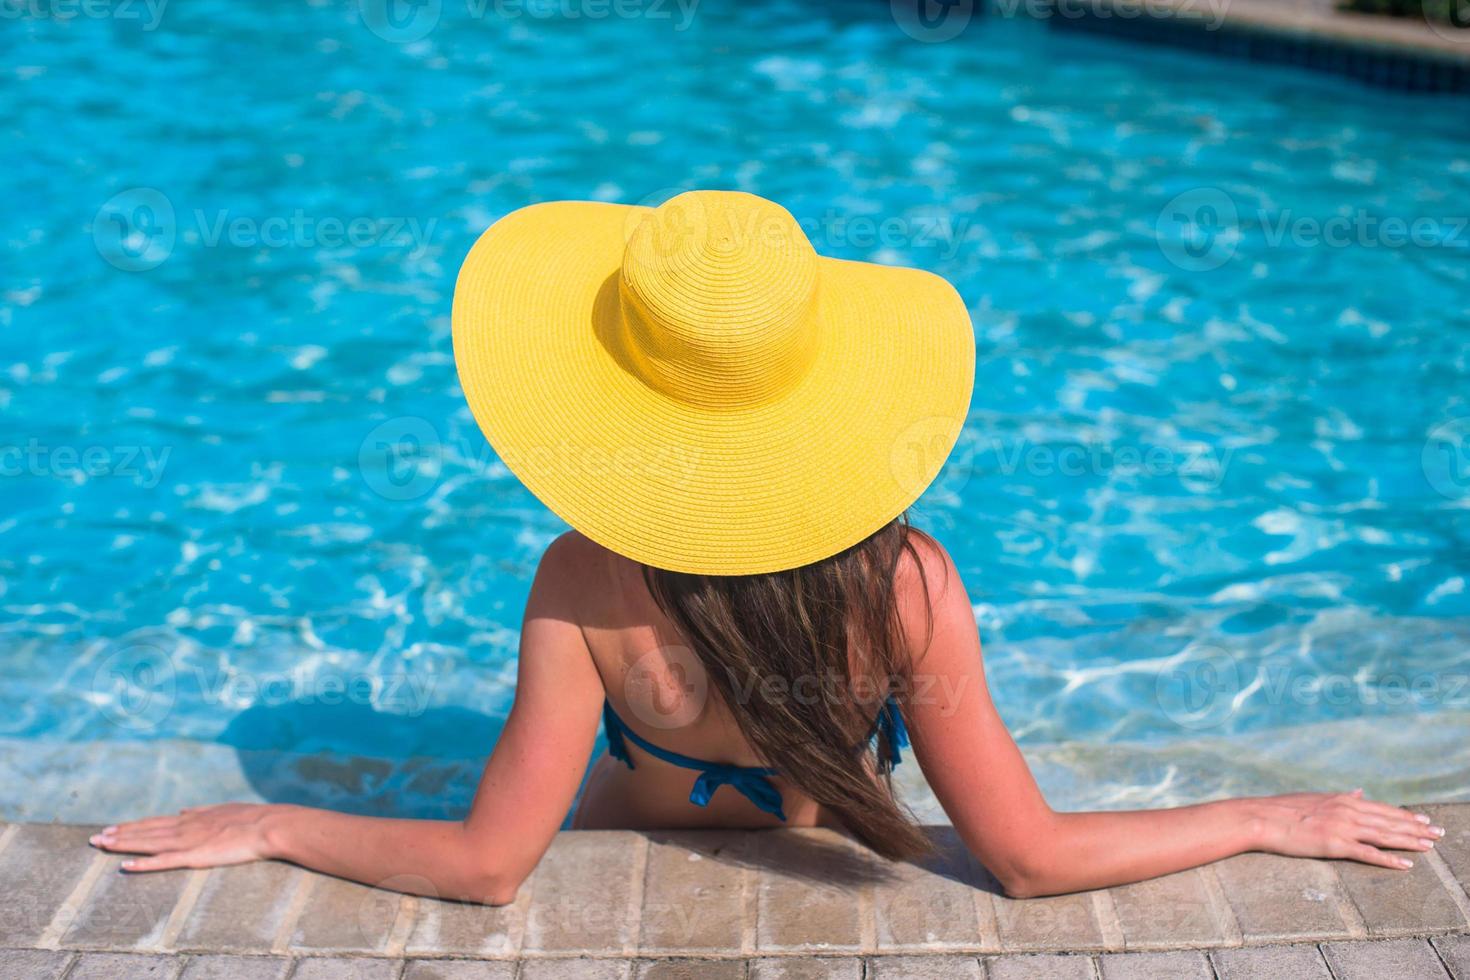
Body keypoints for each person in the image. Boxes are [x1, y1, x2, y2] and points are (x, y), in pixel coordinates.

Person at [91, 191, 1443, 903]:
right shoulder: (905, 584)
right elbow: (1024, 857)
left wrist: (271, 822)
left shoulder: (585, 581)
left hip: (632, 848)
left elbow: (489, 867)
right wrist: (1275, 814)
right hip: (839, 849)